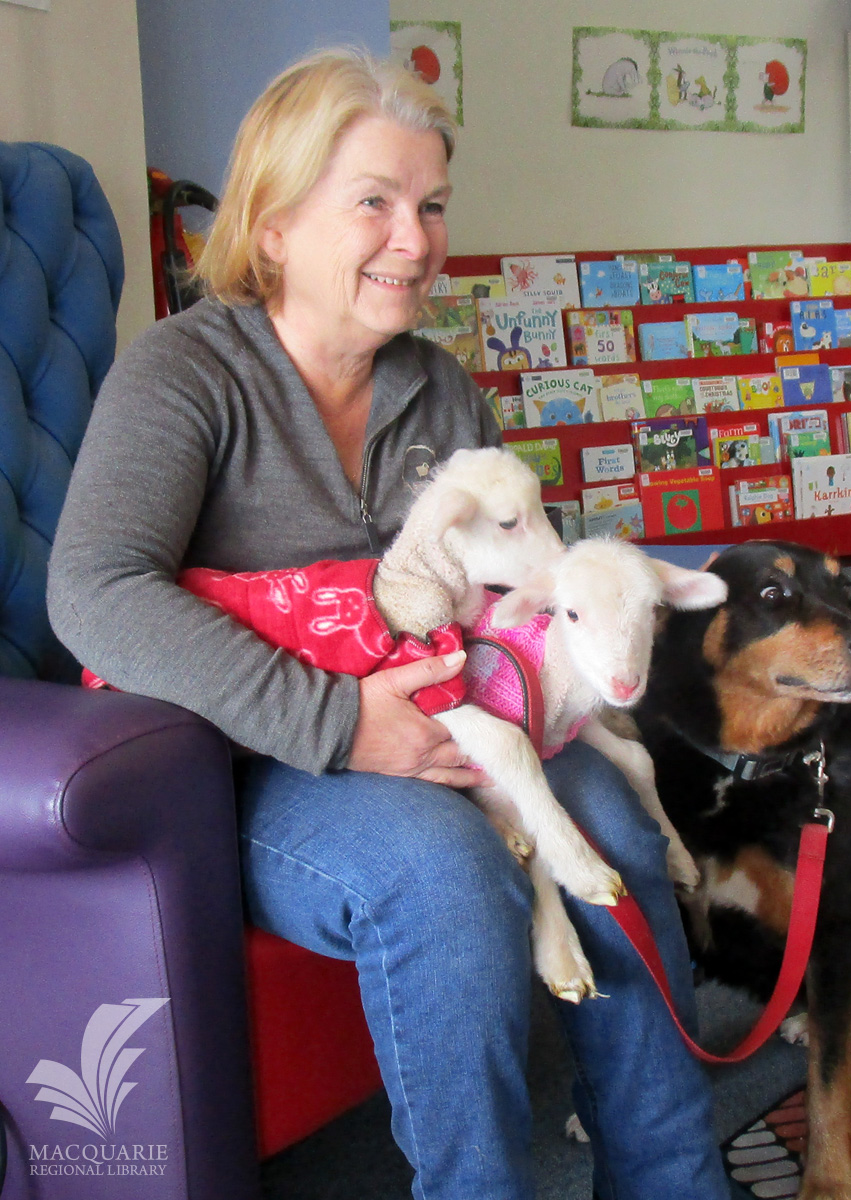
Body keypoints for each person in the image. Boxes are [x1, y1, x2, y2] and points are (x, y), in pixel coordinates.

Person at [47, 48, 730, 1200]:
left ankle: (672, 1180)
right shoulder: (182, 374)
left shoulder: (440, 386)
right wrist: (336, 721)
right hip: (252, 764)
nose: (415, 240)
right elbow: (95, 589)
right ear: (272, 224)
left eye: (432, 205)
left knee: (615, 822)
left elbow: (517, 591)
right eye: (374, 202)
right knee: (443, 876)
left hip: (463, 715)